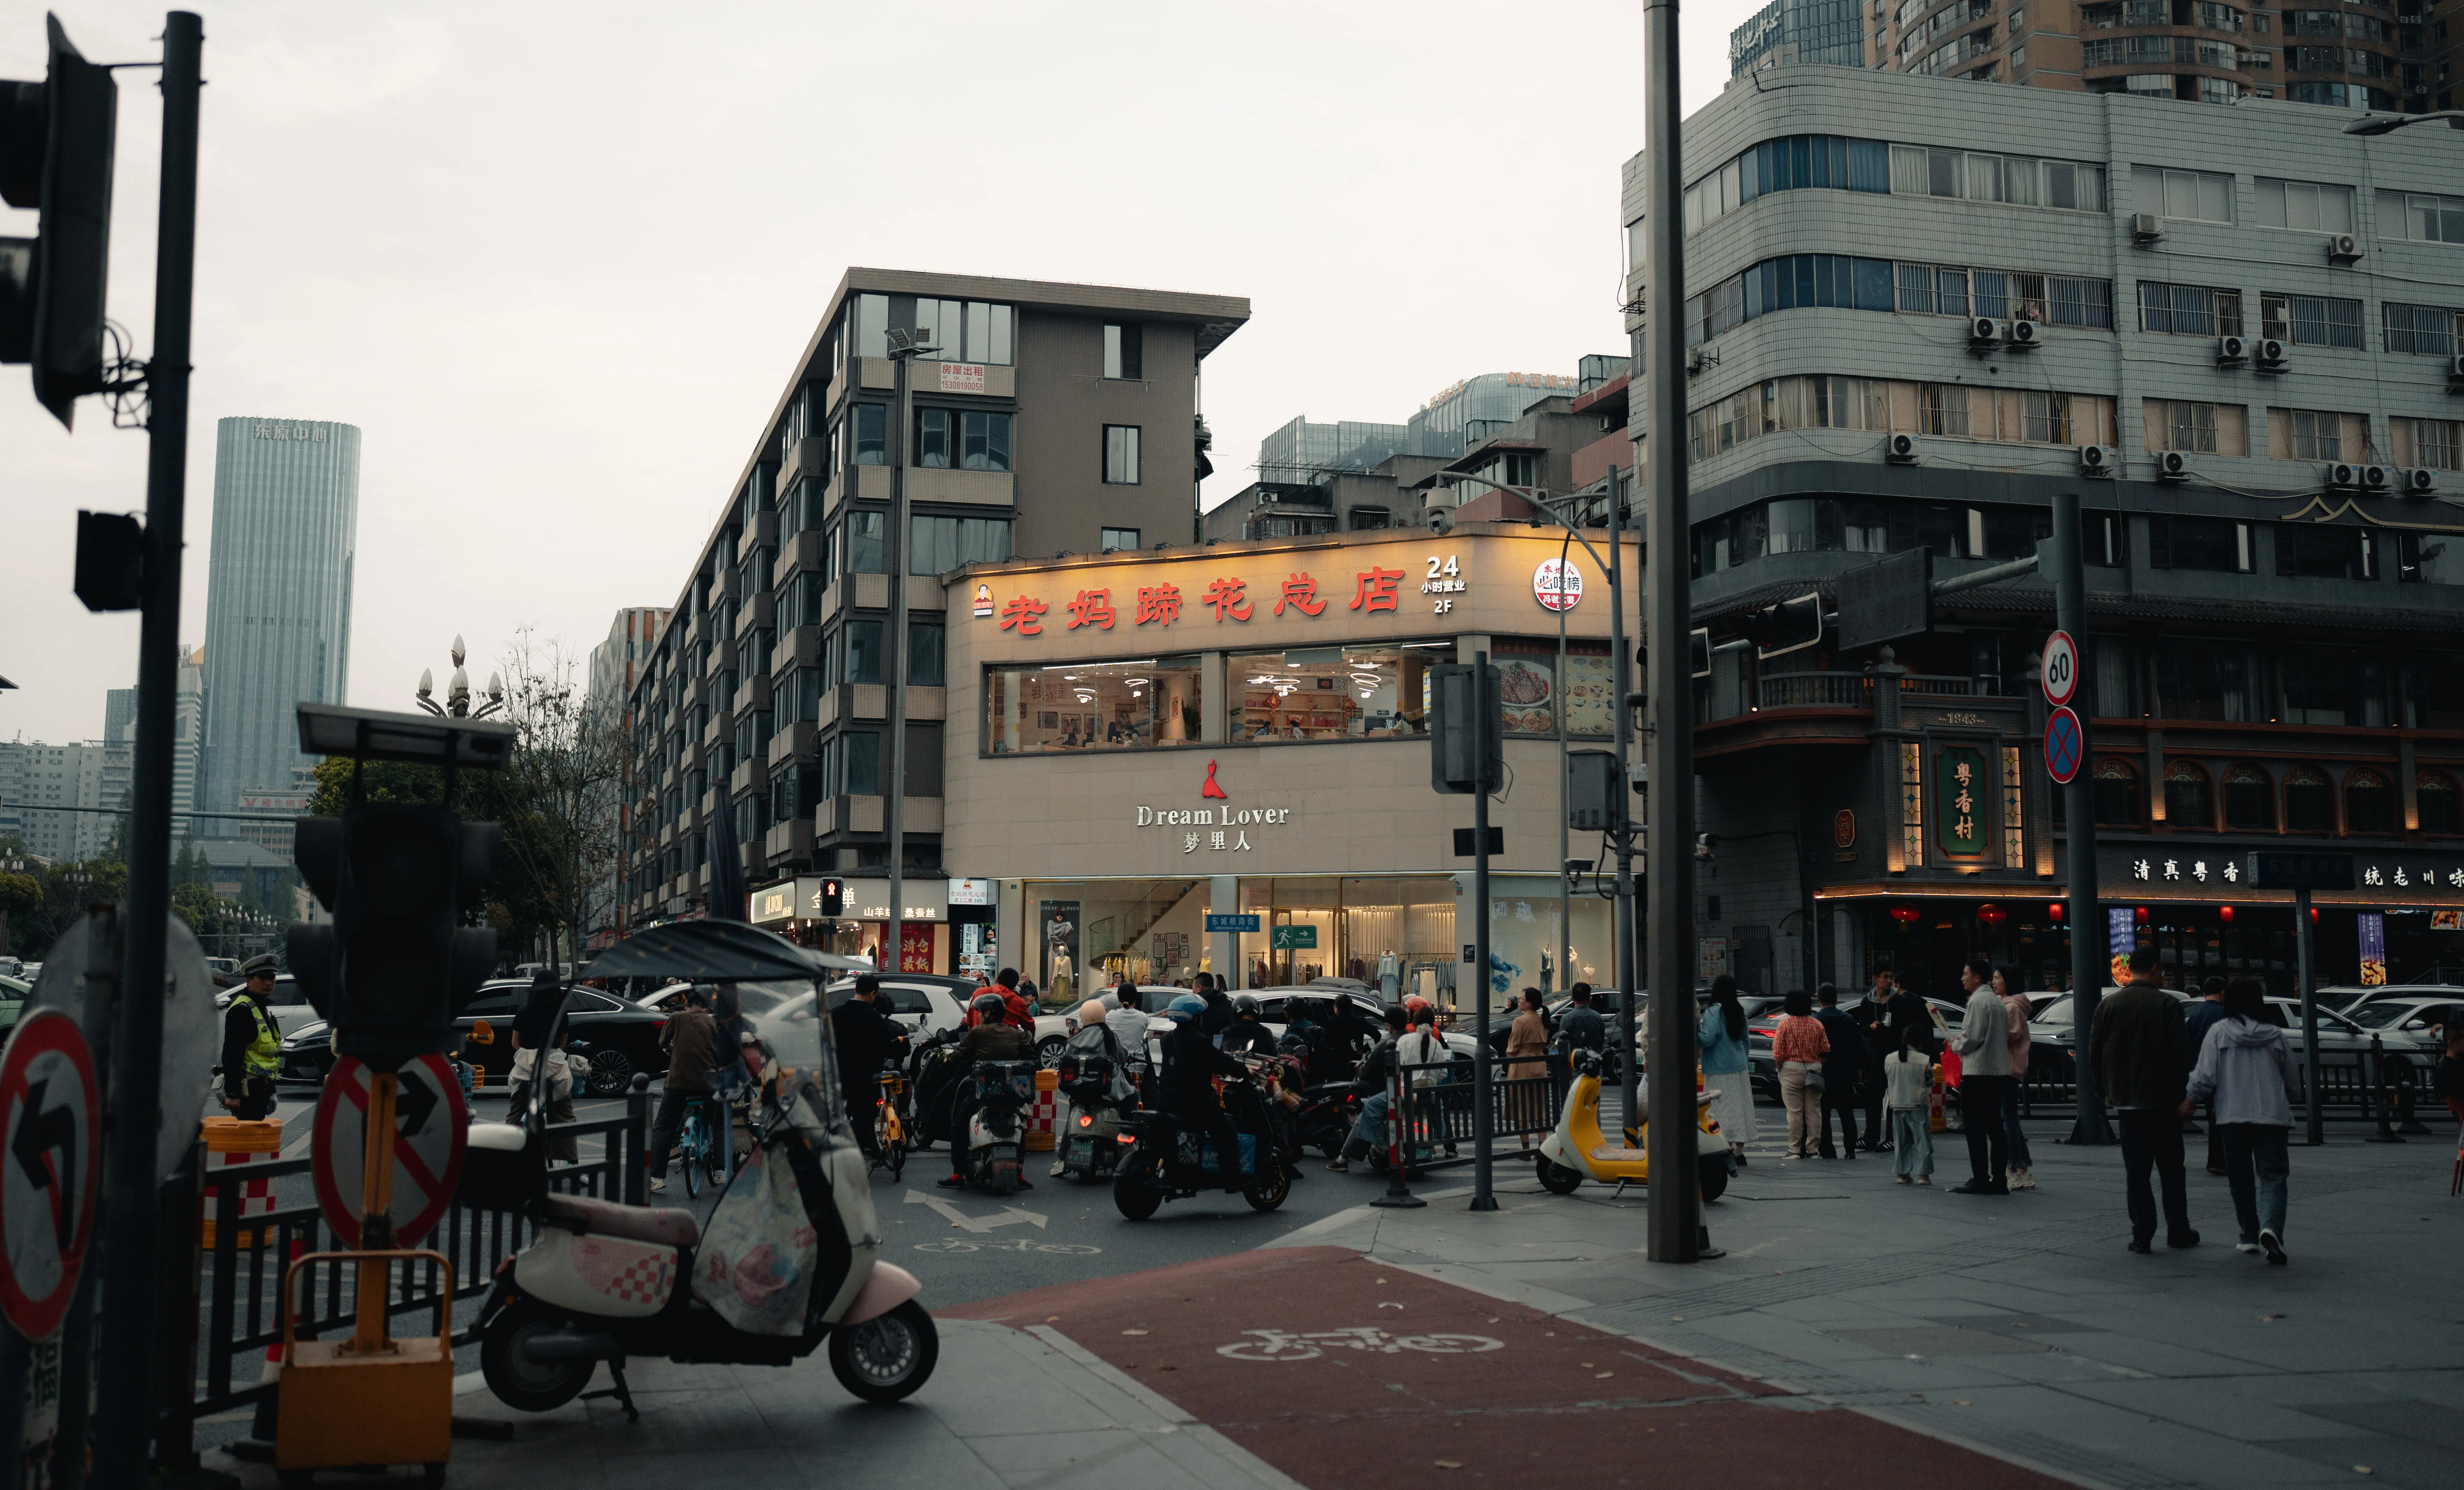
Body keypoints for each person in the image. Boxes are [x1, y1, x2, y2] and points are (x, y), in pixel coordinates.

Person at [2182, 978, 2297, 1263]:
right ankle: (2271, 1227)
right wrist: (2287, 1097)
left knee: (2240, 1176)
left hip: (2232, 1116)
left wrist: (2189, 1101)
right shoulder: (2275, 1034)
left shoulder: (2219, 1033)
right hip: (2271, 1116)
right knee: (2273, 1176)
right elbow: (2293, 1081)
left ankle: (2248, 1235)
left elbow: (2204, 1076)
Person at [2091, 948, 2199, 1252]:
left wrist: (2105, 1091)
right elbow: (2181, 1055)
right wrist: (2186, 1097)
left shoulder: (2109, 1004)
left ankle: (2142, 1234)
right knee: (2172, 1170)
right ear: (2154, 968)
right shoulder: (2167, 1003)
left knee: (2137, 1172)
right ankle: (2178, 1229)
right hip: (2165, 1102)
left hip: (2127, 1102)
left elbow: (2094, 1052)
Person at [940, 990, 1036, 1189]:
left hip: (983, 1091)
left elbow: (959, 1054)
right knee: (1020, 1125)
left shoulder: (978, 1032)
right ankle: (1020, 1175)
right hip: (1013, 1093)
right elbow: (1030, 1056)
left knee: (959, 1125)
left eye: (981, 1012)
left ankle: (958, 1174)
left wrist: (947, 1061)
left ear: (989, 1013)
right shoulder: (1014, 1033)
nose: (979, 1016)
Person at [1157, 993, 1250, 1177]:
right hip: (1195, 1103)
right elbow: (1223, 1063)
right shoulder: (1200, 1041)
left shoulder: (1166, 1039)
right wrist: (1244, 1071)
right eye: (1201, 1015)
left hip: (1167, 1100)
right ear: (1196, 1018)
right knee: (1226, 1129)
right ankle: (1233, 1177)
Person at [1946, 955, 2011, 1195]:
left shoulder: (1978, 1002)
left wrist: (1955, 1045)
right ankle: (1999, 1180)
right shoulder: (1995, 1002)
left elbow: (1972, 1038)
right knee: (1995, 1126)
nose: (1963, 979)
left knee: (1974, 1128)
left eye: (1966, 974)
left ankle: (1981, 1178)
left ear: (1977, 977)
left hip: (1978, 1071)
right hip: (1997, 1071)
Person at [647, 986, 719, 1192]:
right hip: (708, 1085)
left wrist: (674, 1050)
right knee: (718, 1122)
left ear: (689, 1006)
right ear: (707, 1007)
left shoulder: (677, 1018)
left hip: (678, 1084)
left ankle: (657, 1178)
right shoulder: (714, 1022)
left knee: (663, 1128)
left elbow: (662, 1043)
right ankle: (721, 1170)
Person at [1328, 1005, 1411, 1172]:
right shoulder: (1413, 1040)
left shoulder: (1388, 1044)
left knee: (1368, 1109)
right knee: (1367, 1113)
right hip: (1415, 1090)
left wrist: (1360, 1068)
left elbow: (1368, 1073)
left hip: (1394, 1091)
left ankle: (1371, 1148)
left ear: (1389, 1025)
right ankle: (1344, 1157)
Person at [833, 974, 897, 1163]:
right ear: (872, 994)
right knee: (864, 1117)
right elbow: (886, 1047)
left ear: (855, 990)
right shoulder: (875, 1018)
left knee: (842, 1113)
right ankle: (852, 1153)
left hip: (841, 1074)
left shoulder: (837, 1014)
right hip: (867, 1078)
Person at [217, 954, 284, 1121]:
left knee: (255, 1142)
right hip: (247, 1090)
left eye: (272, 978)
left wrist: (272, 1091)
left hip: (262, 1088)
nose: (269, 983)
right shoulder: (242, 1010)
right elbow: (231, 1055)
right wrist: (233, 1094)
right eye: (262, 978)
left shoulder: (262, 1008)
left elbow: (268, 1057)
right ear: (249, 980)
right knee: (245, 1143)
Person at [1698, 978, 1756, 1167]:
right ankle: (1739, 1151)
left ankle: (1725, 1149)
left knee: (1721, 1110)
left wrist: (1692, 1032)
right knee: (1741, 1108)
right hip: (1739, 1068)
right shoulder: (1738, 1011)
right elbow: (1746, 1043)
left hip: (1720, 1068)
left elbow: (1708, 1040)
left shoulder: (1714, 1012)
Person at [1771, 989, 1830, 1160]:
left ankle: (1794, 1150)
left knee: (1795, 1112)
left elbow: (1778, 1053)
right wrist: (1818, 1066)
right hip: (1815, 1069)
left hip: (1791, 1070)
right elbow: (1825, 1050)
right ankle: (1813, 1150)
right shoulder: (1817, 1024)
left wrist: (1780, 1068)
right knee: (1814, 1112)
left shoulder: (1785, 1024)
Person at [2183, 976, 2231, 1176]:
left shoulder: (2196, 1015)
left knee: (2213, 1117)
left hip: (2200, 1072)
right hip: (2223, 1073)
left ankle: (2215, 1161)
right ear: (2223, 993)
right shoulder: (2224, 1014)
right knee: (2224, 1118)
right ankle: (2222, 1161)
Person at [1995, 966, 2037, 1190]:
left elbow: (2012, 1035)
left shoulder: (2011, 1007)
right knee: (2011, 1119)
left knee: (2008, 1120)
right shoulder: (2011, 1004)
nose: (1994, 982)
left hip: (2007, 1067)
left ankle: (2013, 1169)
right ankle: (2022, 1169)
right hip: (2011, 1068)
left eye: (1998, 977)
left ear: (2008, 981)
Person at [1814, 984, 1864, 1158]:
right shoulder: (1849, 1020)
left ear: (1819, 999)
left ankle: (1828, 1150)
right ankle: (1850, 1150)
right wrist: (1857, 1069)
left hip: (1823, 1074)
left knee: (1824, 1114)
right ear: (1836, 999)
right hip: (1845, 1073)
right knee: (1847, 1114)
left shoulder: (1816, 1021)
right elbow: (1858, 1048)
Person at [1885, 1023, 1935, 1186]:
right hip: (1918, 1105)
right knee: (1922, 1140)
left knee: (1901, 1141)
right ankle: (1923, 1175)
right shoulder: (1924, 1060)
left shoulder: (1890, 1059)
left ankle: (1903, 1174)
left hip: (1898, 1104)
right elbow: (1930, 1082)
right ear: (1920, 1043)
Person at [1854, 970, 1898, 1147]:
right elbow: (1862, 1027)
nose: (1889, 981)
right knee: (1873, 1097)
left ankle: (1891, 1138)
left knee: (1894, 1098)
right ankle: (1871, 1137)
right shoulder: (1867, 1002)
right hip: (1877, 1055)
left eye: (1891, 978)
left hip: (1895, 1054)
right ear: (1876, 979)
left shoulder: (1897, 1000)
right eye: (1885, 977)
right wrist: (1870, 1027)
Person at [1222, 993, 1280, 1058]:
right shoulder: (1264, 1032)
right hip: (1259, 1066)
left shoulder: (1225, 1032)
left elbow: (1218, 1053)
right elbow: (1275, 1056)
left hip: (1231, 1067)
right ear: (1257, 1010)